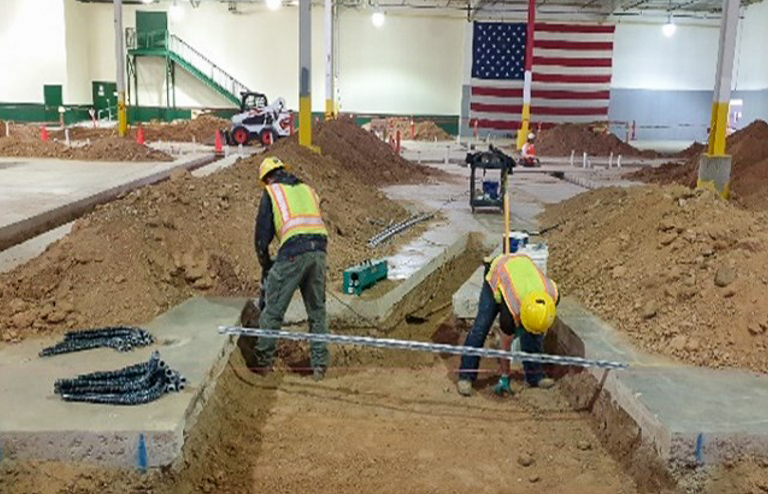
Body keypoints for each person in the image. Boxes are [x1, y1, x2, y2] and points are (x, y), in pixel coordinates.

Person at [253, 156, 329, 381]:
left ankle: (262, 363)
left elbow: (261, 239)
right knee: (317, 312)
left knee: (273, 310)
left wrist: (267, 266)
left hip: (293, 252)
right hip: (319, 250)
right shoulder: (307, 189)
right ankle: (319, 366)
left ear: (267, 179)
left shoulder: (272, 193)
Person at [457, 253, 560, 397]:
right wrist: (505, 375)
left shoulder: (552, 295)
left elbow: (538, 322)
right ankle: (466, 376)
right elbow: (506, 344)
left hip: (521, 271)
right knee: (481, 326)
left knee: (533, 335)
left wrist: (532, 328)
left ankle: (535, 376)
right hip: (498, 272)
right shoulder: (511, 307)